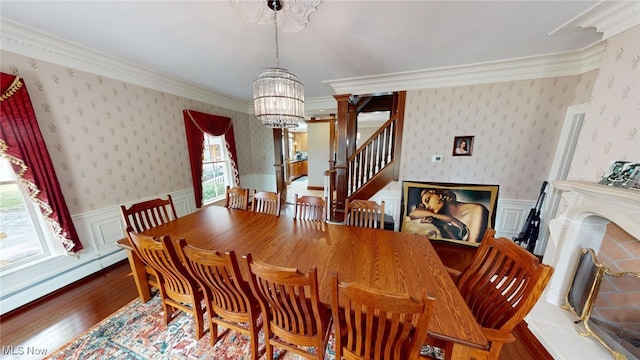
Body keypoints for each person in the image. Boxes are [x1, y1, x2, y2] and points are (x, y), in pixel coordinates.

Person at [407, 188, 489, 243]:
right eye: (424, 206)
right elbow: (412, 214)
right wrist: (448, 219)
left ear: (438, 193)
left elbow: (470, 248)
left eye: (427, 200)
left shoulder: (476, 211)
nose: (427, 207)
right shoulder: (446, 221)